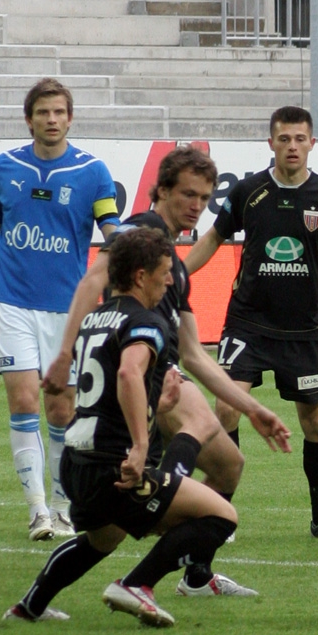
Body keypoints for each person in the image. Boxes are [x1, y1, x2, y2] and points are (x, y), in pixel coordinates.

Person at [42, 146, 292, 593]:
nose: (196, 206)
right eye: (187, 195)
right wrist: (64, 354)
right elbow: (92, 279)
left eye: (204, 197)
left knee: (229, 467)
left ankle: (195, 575)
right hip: (140, 370)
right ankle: (147, 551)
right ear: (161, 192)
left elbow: (196, 355)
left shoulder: (175, 265)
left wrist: (252, 409)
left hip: (166, 367)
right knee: (196, 422)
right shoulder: (145, 231)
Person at [2, 228, 249, 627]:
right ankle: (137, 584)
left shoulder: (94, 319)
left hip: (77, 462)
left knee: (102, 539)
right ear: (140, 276)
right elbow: (129, 375)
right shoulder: (147, 321)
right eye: (165, 272)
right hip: (114, 467)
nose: (170, 281)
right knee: (221, 516)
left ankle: (29, 606)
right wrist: (139, 445)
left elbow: (109, 389)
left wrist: (158, 404)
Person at [185, 105, 318, 540]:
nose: (292, 146)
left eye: (299, 139)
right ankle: (221, 513)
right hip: (247, 322)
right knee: (227, 406)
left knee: (316, 424)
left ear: (312, 143)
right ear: (270, 143)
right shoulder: (249, 192)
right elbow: (213, 237)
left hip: (303, 331)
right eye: (284, 139)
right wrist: (177, 274)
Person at [0, 77, 121, 541]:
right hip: (10, 298)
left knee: (61, 409)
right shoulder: (4, 166)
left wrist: (133, 251)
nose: (51, 120)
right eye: (43, 113)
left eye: (59, 112)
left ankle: (62, 505)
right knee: (22, 401)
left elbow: (110, 229)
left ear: (70, 118)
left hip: (66, 307)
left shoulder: (93, 171)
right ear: (29, 119)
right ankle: (36, 509)